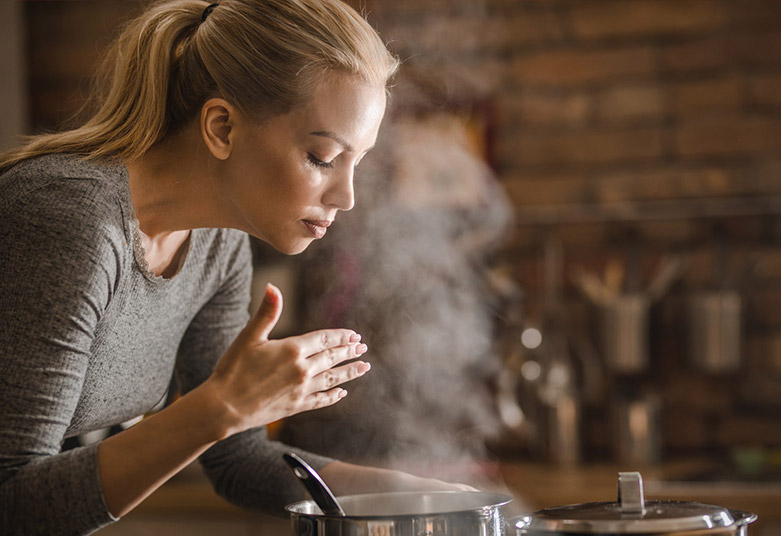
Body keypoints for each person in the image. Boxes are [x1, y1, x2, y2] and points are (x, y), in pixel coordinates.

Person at [0, 1, 470, 534]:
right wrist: (220, 405)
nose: (347, 197)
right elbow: (11, 502)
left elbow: (234, 458)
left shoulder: (217, 244)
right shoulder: (70, 222)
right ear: (222, 127)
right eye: (322, 158)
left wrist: (402, 493)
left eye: (355, 164)